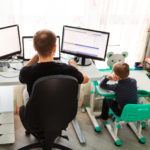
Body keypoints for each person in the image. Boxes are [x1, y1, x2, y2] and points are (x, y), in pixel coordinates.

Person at [19, 29, 89, 134]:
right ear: (55, 48)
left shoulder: (28, 72)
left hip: (37, 117)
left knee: (25, 91)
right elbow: (86, 79)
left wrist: (34, 58)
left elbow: (21, 78)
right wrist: (74, 65)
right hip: (63, 116)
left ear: (34, 48)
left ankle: (35, 127)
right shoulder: (67, 69)